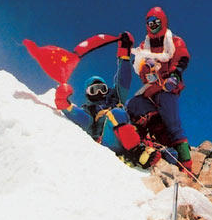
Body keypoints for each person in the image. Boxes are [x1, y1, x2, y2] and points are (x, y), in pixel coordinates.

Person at [54, 32, 159, 168]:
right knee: (116, 113)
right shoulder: (90, 109)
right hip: (108, 141)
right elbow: (84, 120)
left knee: (128, 114)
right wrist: (66, 106)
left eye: (101, 88)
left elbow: (123, 79)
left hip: (128, 134)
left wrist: (124, 53)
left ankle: (146, 151)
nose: (99, 93)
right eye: (94, 90)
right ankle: (137, 153)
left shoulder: (115, 98)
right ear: (88, 94)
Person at [126, 6, 193, 173]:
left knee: (172, 123)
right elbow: (138, 65)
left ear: (163, 22)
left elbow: (181, 58)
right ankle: (143, 143)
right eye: (150, 23)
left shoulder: (174, 41)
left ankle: (186, 164)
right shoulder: (144, 45)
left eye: (156, 22)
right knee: (134, 105)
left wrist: (175, 75)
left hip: (168, 87)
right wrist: (144, 66)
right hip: (152, 87)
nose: (153, 26)